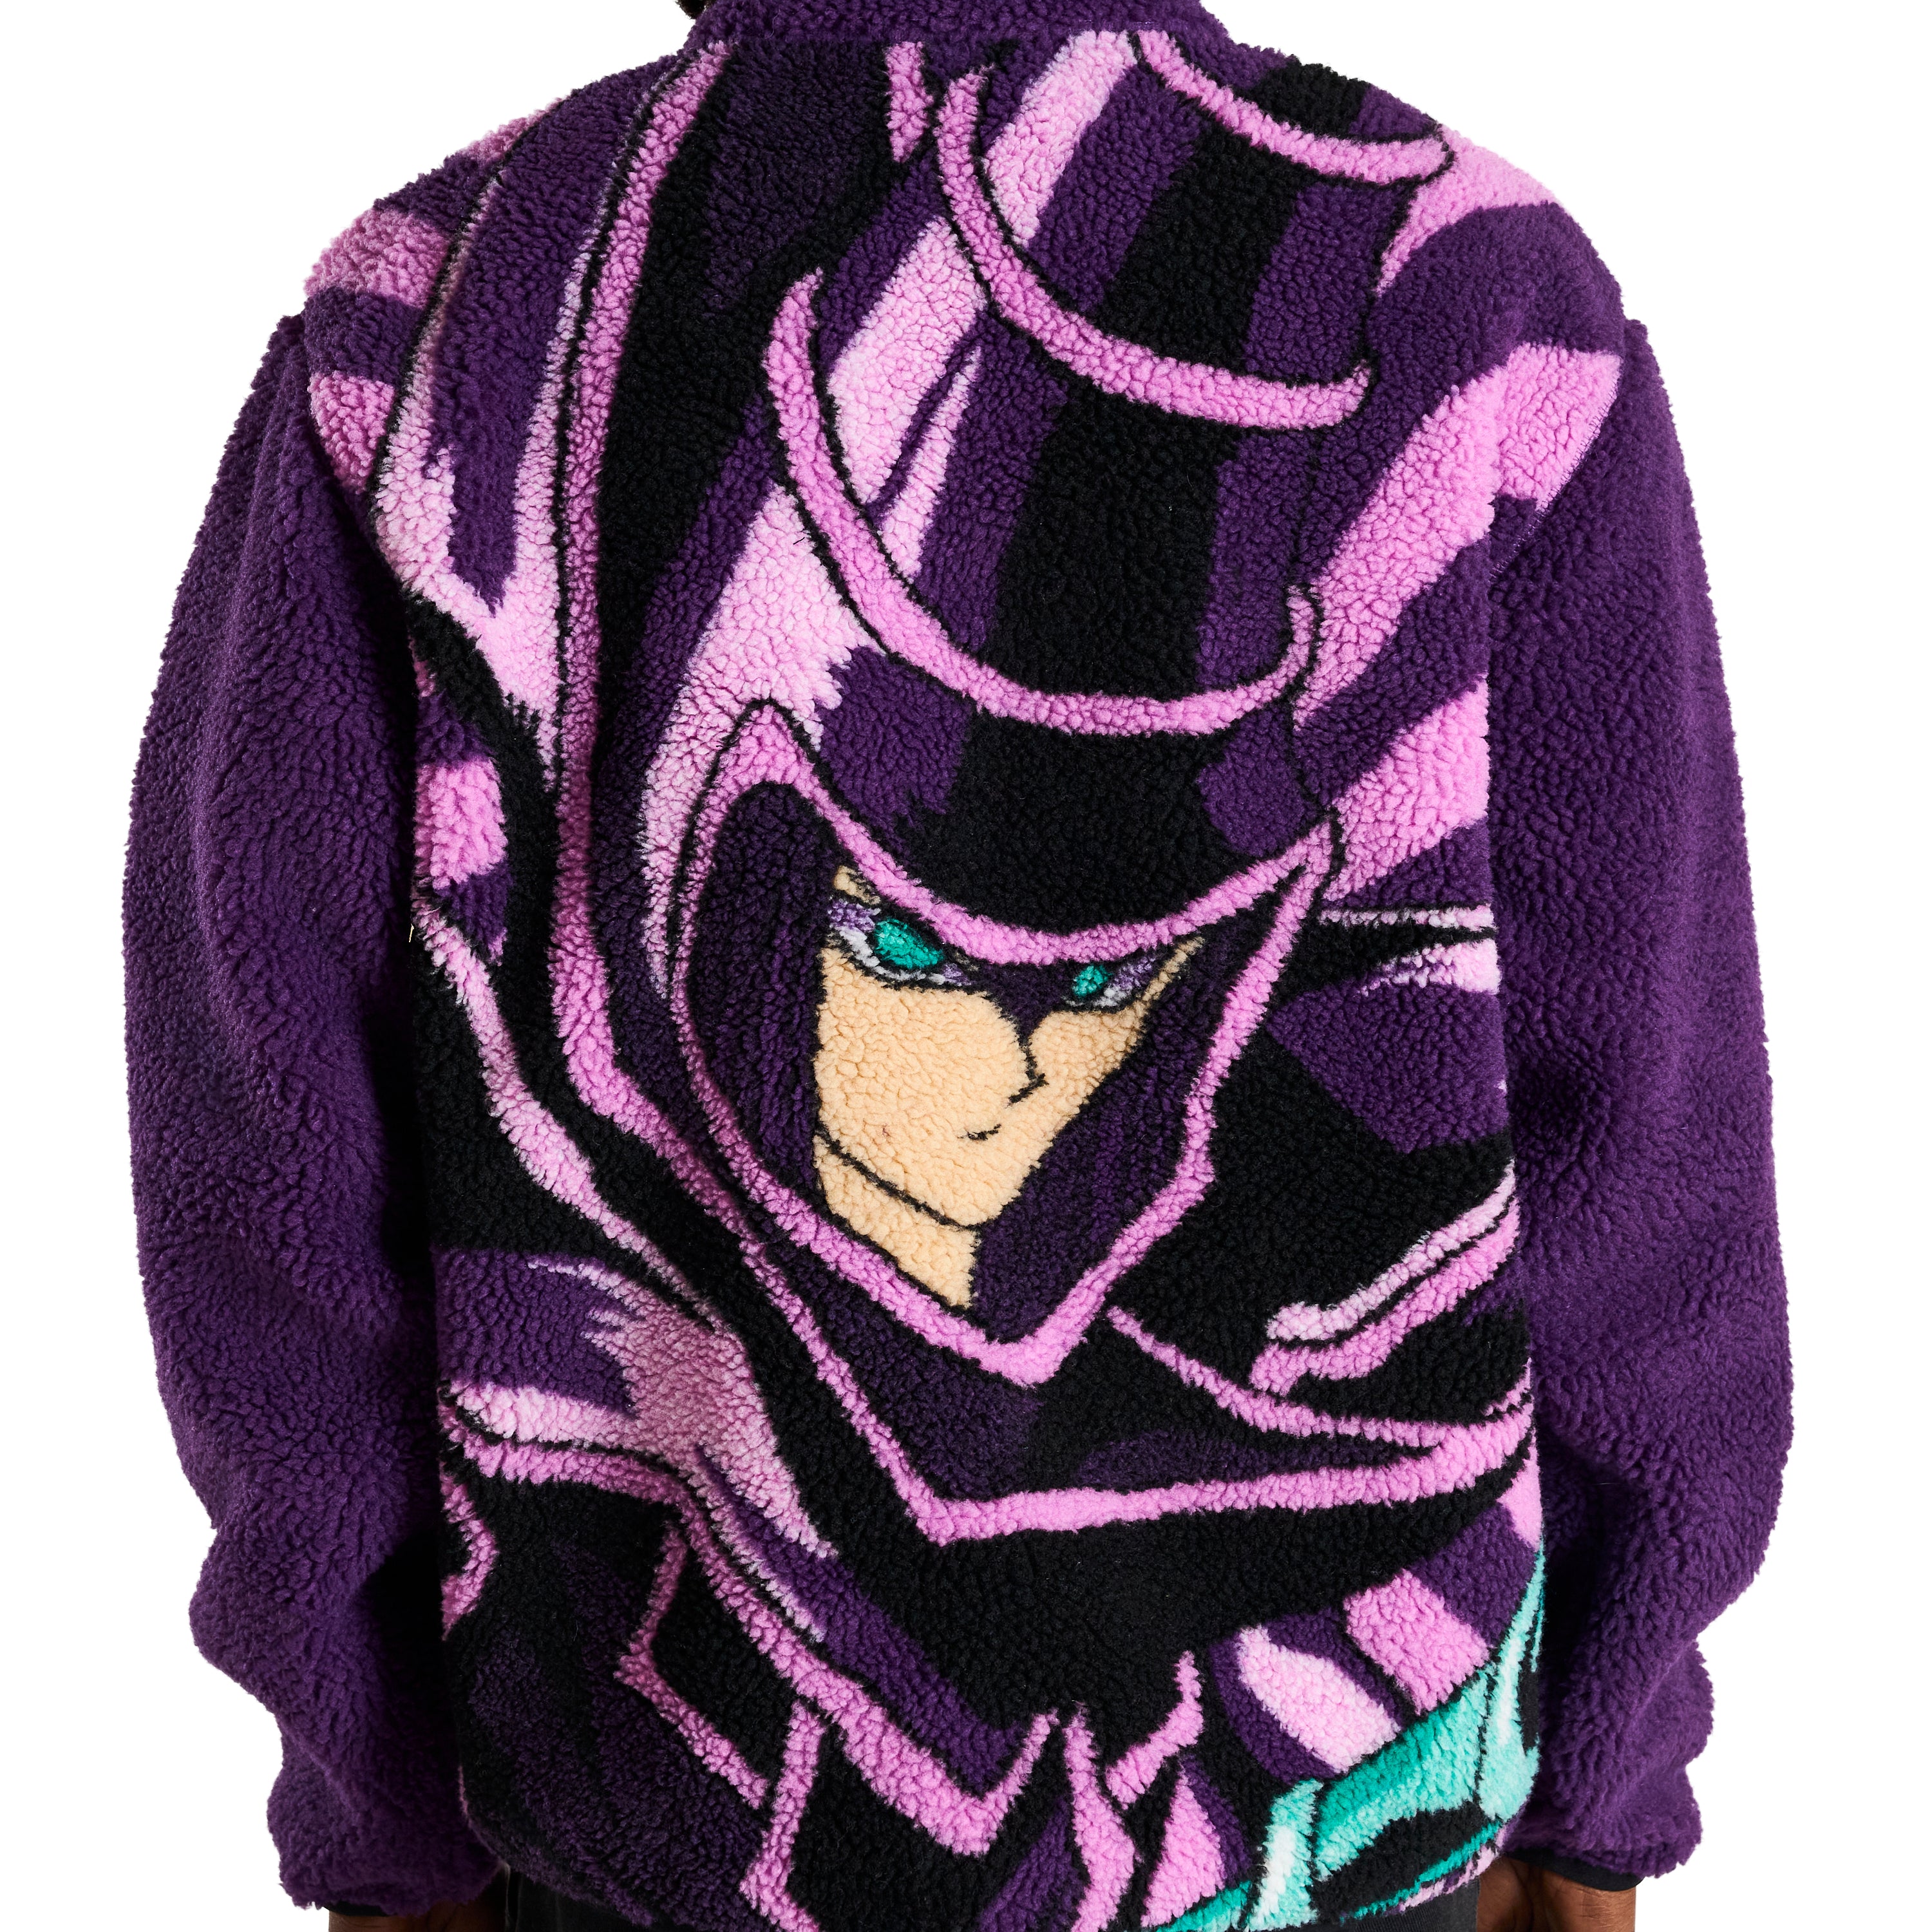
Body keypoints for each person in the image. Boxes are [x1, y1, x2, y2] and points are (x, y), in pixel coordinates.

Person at [120, 0, 1791, 1927]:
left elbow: (268, 1180)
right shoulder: (1486, 301)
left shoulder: (434, 303)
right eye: (907, 945)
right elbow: (1642, 1146)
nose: (1002, 1085)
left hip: (642, 1860)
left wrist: (377, 1814)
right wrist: (1605, 1781)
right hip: (1331, 1865)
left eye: (1095, 992)